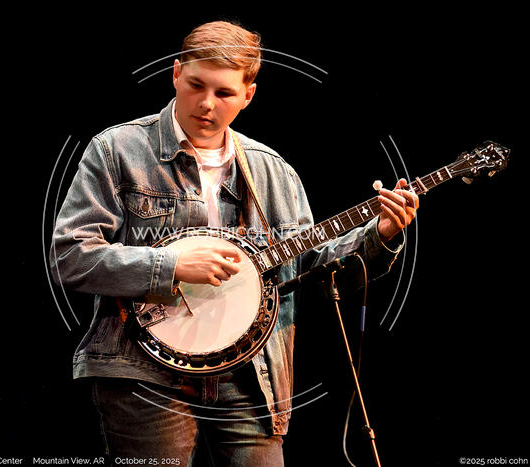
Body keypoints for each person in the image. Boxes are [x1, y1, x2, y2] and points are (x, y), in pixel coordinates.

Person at [50, 20, 419, 467]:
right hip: (144, 371)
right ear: (175, 73)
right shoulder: (117, 150)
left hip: (251, 376)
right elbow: (71, 255)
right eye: (196, 85)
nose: (207, 104)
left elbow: (312, 268)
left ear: (248, 95)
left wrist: (381, 234)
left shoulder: (273, 170)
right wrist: (171, 266)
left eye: (224, 93)